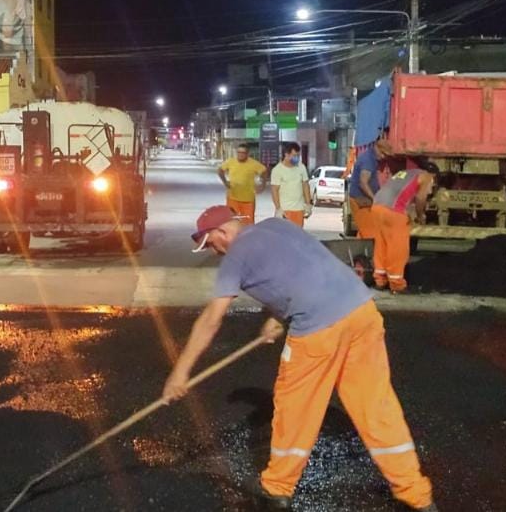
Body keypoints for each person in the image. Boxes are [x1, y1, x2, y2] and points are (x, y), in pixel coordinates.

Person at [162, 205, 435, 511]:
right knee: (376, 407)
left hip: (318, 330)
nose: (214, 252)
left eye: (211, 243)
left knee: (294, 406)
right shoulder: (278, 227)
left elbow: (212, 319)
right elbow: (304, 269)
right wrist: (277, 318)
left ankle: (276, 489)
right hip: (362, 312)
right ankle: (416, 494)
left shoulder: (236, 254)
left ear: (224, 231)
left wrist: (179, 373)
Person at [371, 165, 435, 292]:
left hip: (377, 207)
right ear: (434, 176)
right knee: (398, 247)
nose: (431, 189)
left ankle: (380, 280)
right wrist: (421, 216)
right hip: (393, 211)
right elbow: (420, 198)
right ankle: (397, 284)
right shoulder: (427, 177)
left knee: (382, 244)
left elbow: (403, 193)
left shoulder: (406, 173)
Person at [348, 139, 392, 240]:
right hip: (361, 201)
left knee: (365, 230)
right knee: (370, 233)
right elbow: (363, 183)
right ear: (377, 148)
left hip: (362, 200)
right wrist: (375, 198)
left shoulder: (370, 158)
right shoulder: (368, 160)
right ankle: (367, 253)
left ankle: (362, 252)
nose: (383, 157)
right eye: (383, 153)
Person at [218, 143, 268, 221]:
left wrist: (263, 185)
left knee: (247, 225)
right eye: (238, 152)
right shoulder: (231, 162)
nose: (240, 155)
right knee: (232, 222)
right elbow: (220, 170)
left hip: (248, 200)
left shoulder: (253, 164)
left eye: (243, 153)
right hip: (232, 198)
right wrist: (225, 182)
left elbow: (264, 171)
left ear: (247, 154)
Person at [270, 141, 312, 227]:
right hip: (285, 210)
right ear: (286, 154)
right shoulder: (277, 170)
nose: (296, 158)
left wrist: (308, 204)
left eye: (298, 155)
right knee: (284, 236)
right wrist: (278, 209)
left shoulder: (301, 167)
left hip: (299, 209)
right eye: (294, 155)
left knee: (298, 236)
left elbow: (305, 186)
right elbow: (275, 190)